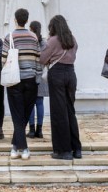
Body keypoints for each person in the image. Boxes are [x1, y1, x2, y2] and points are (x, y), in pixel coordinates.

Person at [39, 14, 81, 160]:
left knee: (59, 113)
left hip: (57, 74)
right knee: (70, 111)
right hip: (71, 73)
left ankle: (63, 150)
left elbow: (42, 59)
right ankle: (76, 149)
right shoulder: (72, 39)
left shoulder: (53, 40)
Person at [2, 7, 41, 159]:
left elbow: (4, 59)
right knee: (24, 113)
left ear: (15, 20)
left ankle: (19, 147)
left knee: (17, 114)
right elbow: (38, 59)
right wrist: (37, 77)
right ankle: (18, 147)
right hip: (31, 79)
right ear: (27, 20)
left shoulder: (9, 37)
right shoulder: (33, 37)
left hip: (14, 79)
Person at [27, 19, 47, 139]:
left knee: (31, 103)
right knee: (40, 103)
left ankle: (31, 129)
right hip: (42, 75)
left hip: (31, 74)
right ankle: (40, 130)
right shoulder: (44, 43)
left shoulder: (31, 41)